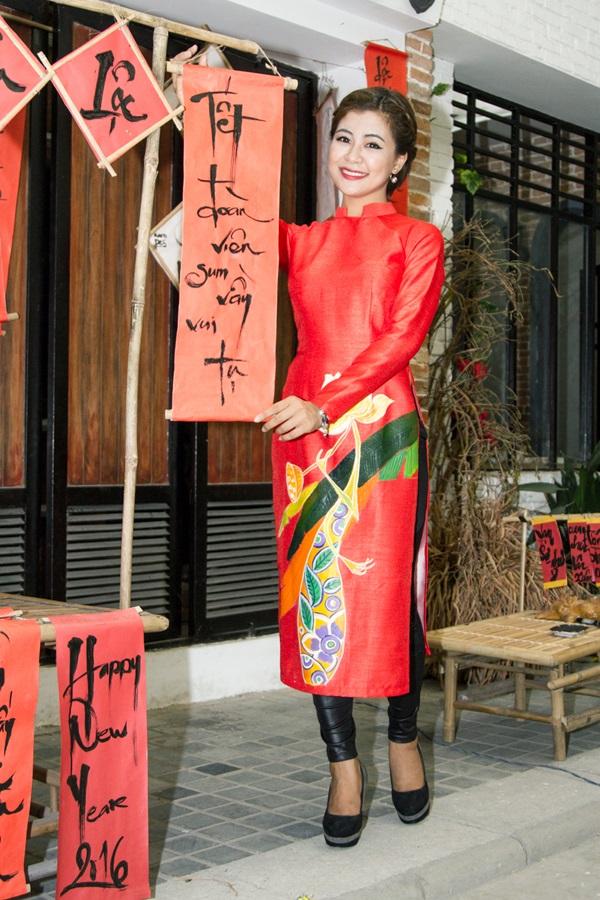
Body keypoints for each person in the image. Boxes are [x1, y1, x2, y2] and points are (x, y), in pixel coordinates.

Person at [172, 48, 445, 849]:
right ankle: (341, 765)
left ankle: (403, 737)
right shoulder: (294, 240)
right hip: (303, 435)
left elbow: (400, 340)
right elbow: (197, 235)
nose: (353, 156)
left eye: (373, 144)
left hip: (381, 432)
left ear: (399, 164)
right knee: (316, 588)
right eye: (343, 138)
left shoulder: (418, 240)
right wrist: (201, 107)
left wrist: (322, 403)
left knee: (391, 596)